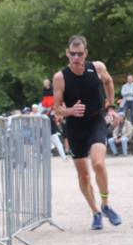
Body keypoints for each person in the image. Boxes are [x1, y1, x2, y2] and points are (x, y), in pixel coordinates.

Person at [51, 35, 122, 230]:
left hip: (96, 120)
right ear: (67, 53)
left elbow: (109, 82)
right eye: (73, 54)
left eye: (79, 54)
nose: (76, 57)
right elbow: (57, 108)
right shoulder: (60, 77)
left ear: (86, 53)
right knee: (83, 175)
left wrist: (111, 106)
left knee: (98, 163)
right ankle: (95, 212)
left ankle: (105, 205)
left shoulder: (97, 68)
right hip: (75, 126)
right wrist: (70, 111)